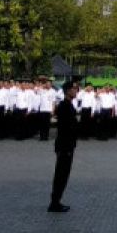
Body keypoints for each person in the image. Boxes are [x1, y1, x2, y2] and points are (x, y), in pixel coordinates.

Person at [48, 82, 79, 213]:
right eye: (73, 89)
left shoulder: (68, 105)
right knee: (61, 174)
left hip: (67, 144)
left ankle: (56, 201)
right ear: (67, 91)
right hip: (65, 145)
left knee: (64, 174)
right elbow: (66, 127)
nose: (76, 91)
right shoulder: (64, 106)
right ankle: (54, 203)